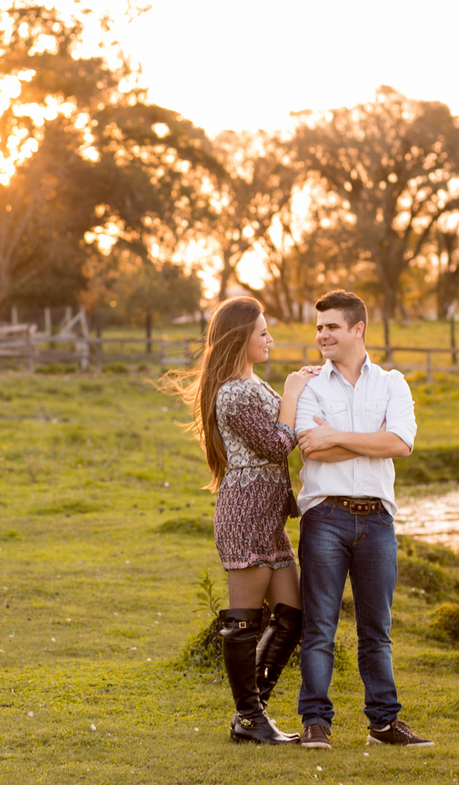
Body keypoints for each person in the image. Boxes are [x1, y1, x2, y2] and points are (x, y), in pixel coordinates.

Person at [168, 296, 315, 744]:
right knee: (245, 621)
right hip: (246, 515)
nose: (270, 339)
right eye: (263, 332)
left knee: (293, 614)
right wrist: (291, 393)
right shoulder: (232, 392)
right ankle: (249, 718)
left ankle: (253, 711)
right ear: (241, 339)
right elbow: (276, 444)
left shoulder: (251, 384)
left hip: (269, 521)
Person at [292, 289, 434, 750]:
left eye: (331, 326)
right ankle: (315, 722)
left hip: (377, 521)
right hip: (325, 516)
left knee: (378, 629)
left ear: (358, 329)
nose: (322, 335)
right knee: (319, 626)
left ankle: (383, 724)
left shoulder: (392, 383)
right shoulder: (311, 385)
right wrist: (366, 438)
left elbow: (401, 444)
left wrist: (340, 436)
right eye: (318, 328)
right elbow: (312, 445)